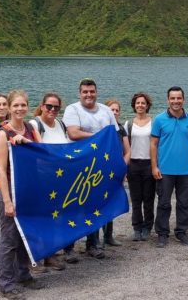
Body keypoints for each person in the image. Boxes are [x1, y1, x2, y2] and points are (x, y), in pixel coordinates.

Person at [61, 78, 121, 259]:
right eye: (85, 92)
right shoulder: (72, 109)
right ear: (79, 93)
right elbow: (73, 133)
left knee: (95, 204)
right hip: (77, 165)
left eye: (92, 91)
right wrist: (99, 136)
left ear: (96, 92)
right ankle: (69, 247)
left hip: (100, 165)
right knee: (72, 204)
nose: (89, 95)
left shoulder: (106, 111)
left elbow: (114, 135)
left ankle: (92, 244)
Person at [0, 90, 45, 299]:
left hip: (28, 190)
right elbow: (1, 170)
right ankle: (6, 283)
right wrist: (7, 201)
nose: (19, 109)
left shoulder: (31, 128)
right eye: (15, 105)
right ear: (8, 107)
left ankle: (23, 274)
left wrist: (27, 143)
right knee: (9, 239)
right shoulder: (2, 134)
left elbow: (43, 153)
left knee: (26, 236)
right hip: (9, 192)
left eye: (23, 105)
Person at [150, 86, 188, 248]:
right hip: (165, 170)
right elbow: (153, 144)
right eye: (173, 98)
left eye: (179, 98)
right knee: (164, 203)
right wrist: (154, 167)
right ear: (168, 100)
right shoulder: (159, 119)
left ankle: (181, 232)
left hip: (185, 169)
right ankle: (162, 233)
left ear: (183, 100)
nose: (176, 101)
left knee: (183, 203)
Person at [29, 92, 69, 269]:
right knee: (40, 217)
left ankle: (50, 254)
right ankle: (37, 254)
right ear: (42, 106)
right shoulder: (34, 124)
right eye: (49, 106)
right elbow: (33, 151)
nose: (52, 110)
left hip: (58, 179)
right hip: (40, 179)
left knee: (55, 217)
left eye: (56, 107)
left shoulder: (60, 124)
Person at [124, 92, 155, 241]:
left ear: (147, 105)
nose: (140, 105)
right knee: (136, 199)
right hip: (134, 164)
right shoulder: (128, 124)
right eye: (138, 103)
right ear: (134, 105)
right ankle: (137, 227)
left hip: (149, 163)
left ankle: (148, 227)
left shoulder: (154, 123)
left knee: (148, 198)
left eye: (143, 103)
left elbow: (158, 145)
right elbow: (125, 146)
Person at [103, 99, 131, 247]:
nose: (114, 112)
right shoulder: (100, 128)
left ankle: (108, 236)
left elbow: (127, 152)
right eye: (111, 110)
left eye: (116, 110)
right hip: (99, 173)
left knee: (111, 202)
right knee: (98, 204)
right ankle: (94, 241)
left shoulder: (121, 129)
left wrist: (121, 168)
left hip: (116, 173)